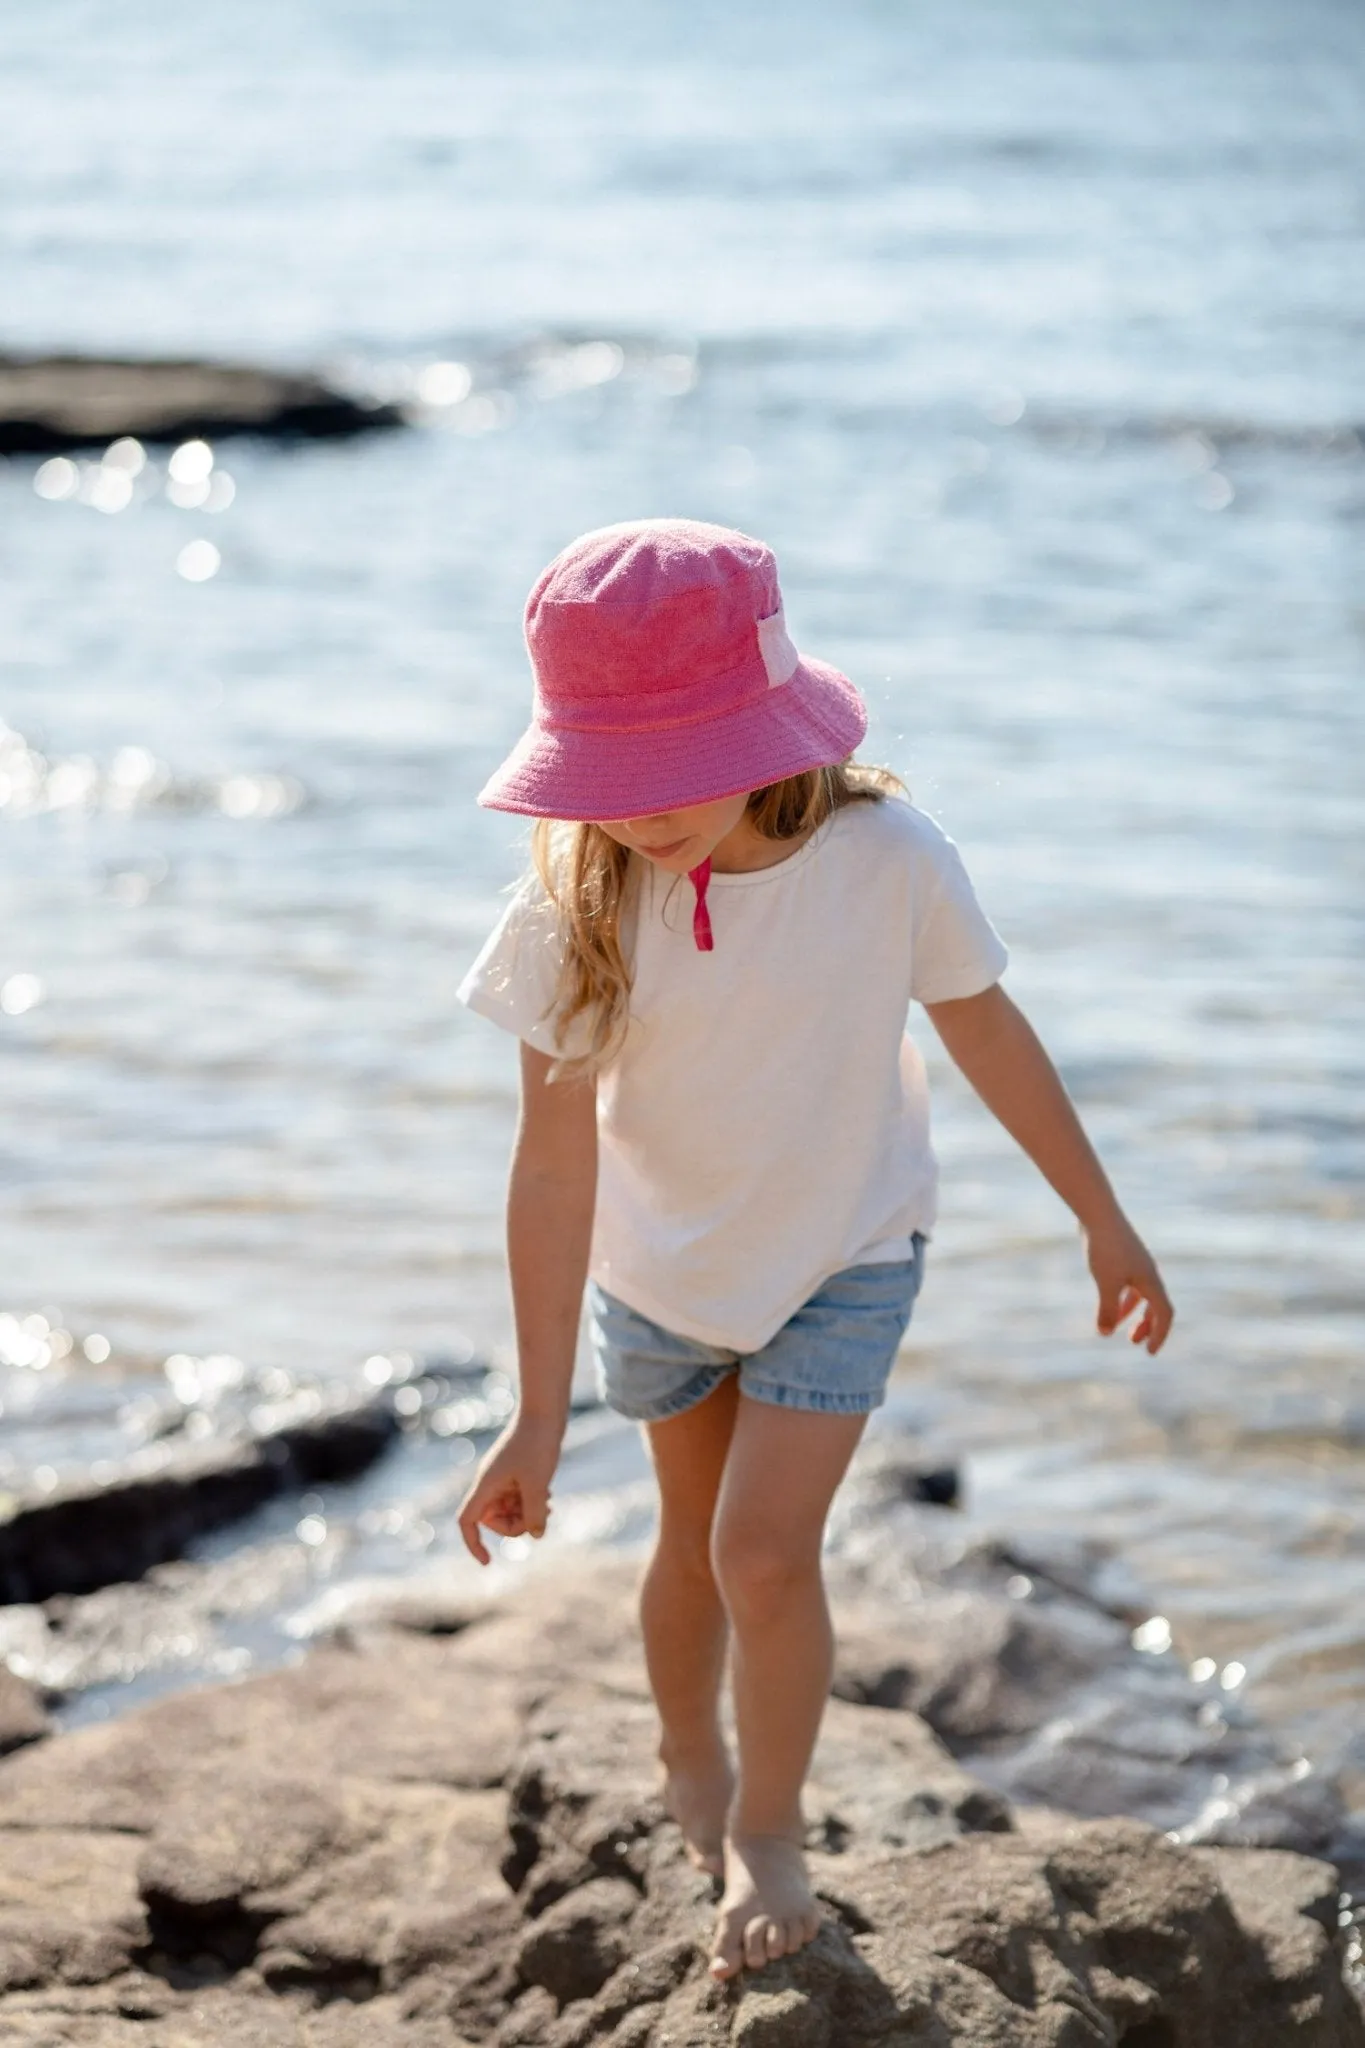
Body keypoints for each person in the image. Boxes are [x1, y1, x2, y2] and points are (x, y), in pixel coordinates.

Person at [455, 518, 1173, 1982]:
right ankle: (683, 1746)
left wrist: (1101, 1217)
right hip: (661, 1273)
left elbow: (985, 1029)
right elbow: (549, 1161)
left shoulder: (888, 858)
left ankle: (768, 1830)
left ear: (769, 727)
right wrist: (534, 1412)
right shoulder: (576, 901)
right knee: (687, 1550)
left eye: (678, 769)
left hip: (846, 1249)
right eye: (617, 775)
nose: (646, 814)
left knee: (762, 1554)